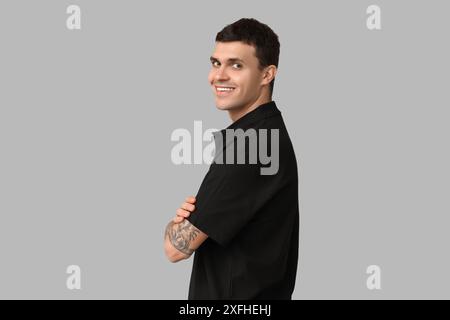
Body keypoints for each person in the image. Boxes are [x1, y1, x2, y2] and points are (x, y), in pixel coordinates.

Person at [164, 18, 299, 299]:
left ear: (267, 75)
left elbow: (175, 249)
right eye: (216, 63)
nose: (219, 76)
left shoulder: (252, 147)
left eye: (236, 65)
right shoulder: (265, 135)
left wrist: (175, 226)